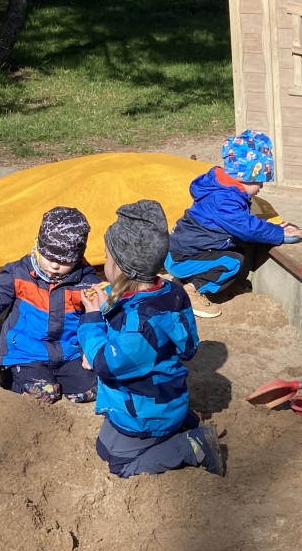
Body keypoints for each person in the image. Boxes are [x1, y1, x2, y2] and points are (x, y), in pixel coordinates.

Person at [77, 201, 224, 478]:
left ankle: (192, 446)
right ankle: (181, 423)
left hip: (146, 410)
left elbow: (106, 365)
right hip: (160, 396)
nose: (104, 264)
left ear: (121, 267)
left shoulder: (139, 326)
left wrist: (92, 318)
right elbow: (188, 347)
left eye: (107, 258)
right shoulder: (170, 291)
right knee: (104, 448)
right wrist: (108, 305)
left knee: (120, 465)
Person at [0, 207, 103, 403]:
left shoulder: (86, 282)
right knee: (44, 393)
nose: (55, 265)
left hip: (68, 355)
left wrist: (89, 350)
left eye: (64, 261)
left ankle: (60, 377)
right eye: (49, 257)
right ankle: (9, 374)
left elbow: (94, 319)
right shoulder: (20, 273)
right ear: (38, 246)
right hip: (26, 354)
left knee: (92, 389)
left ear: (77, 258)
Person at [166, 131, 302, 297]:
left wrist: (274, 228)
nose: (261, 187)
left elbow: (244, 222)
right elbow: (247, 228)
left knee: (236, 250)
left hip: (179, 252)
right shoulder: (226, 200)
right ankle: (192, 290)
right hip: (183, 259)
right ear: (245, 177)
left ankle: (186, 279)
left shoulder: (220, 188)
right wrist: (279, 233)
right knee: (232, 262)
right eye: (259, 181)